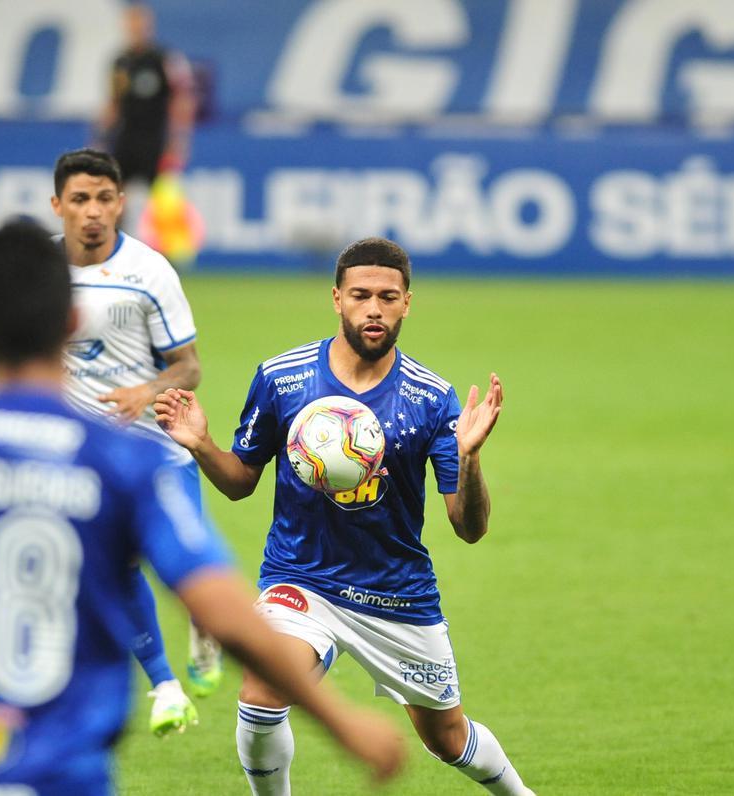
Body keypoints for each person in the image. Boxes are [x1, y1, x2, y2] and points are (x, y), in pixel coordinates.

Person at [0, 219, 405, 796]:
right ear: (71, 322)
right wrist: (345, 724)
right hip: (52, 776)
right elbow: (228, 616)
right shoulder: (123, 468)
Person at [154, 237, 536, 795]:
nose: (374, 308)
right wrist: (203, 444)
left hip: (396, 592)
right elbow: (240, 483)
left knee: (447, 739)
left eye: (388, 296)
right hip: (301, 579)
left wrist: (471, 458)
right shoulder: (282, 378)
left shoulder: (433, 399)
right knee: (260, 697)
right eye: (361, 295)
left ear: (409, 302)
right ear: (337, 298)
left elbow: (469, 527)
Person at [50, 147, 223, 738]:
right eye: (80, 200)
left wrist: (144, 391)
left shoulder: (150, 272)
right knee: (113, 565)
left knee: (184, 575)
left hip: (158, 448)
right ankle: (165, 688)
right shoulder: (41, 274)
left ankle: (205, 630)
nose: (93, 211)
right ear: (58, 206)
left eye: (104, 198)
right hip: (88, 456)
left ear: (121, 203)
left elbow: (190, 366)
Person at [96, 2, 196, 234]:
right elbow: (113, 103)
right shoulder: (120, 62)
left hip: (156, 141)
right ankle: (114, 250)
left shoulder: (164, 59)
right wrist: (100, 137)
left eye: (140, 22)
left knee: (165, 205)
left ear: (149, 25)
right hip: (126, 139)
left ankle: (170, 260)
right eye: (131, 22)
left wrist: (179, 139)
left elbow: (181, 100)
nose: (136, 28)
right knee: (115, 198)